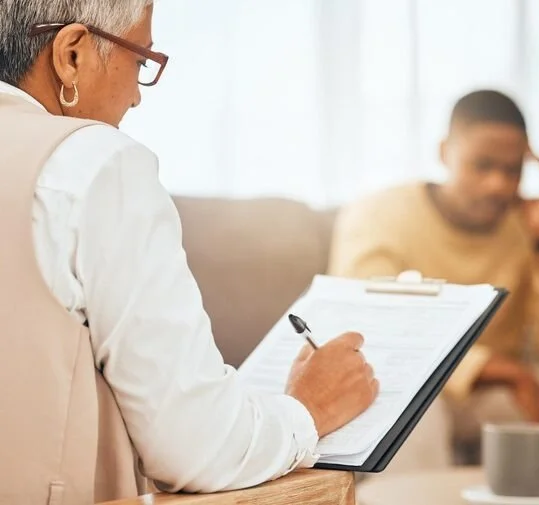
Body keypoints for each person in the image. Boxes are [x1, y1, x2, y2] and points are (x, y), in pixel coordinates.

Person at [0, 1, 378, 503]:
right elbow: (194, 447)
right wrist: (309, 409)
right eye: (140, 60)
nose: (136, 97)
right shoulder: (93, 163)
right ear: (70, 55)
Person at [329, 90, 539, 469]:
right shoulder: (377, 215)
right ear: (445, 152)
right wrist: (508, 370)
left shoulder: (538, 227)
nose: (498, 184)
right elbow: (377, 330)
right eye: (482, 165)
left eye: (512, 170)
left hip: (487, 393)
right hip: (399, 384)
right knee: (413, 419)